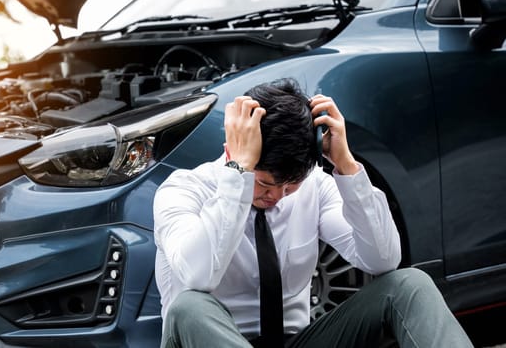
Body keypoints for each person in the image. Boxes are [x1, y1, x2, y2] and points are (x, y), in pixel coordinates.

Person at [152, 78, 473, 348]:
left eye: (290, 186)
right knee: (189, 307)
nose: (277, 197)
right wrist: (238, 174)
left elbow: (383, 259)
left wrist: (346, 165)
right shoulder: (182, 191)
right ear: (231, 150)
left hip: (297, 340)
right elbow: (199, 275)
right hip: (209, 340)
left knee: (409, 285)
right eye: (265, 184)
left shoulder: (315, 186)